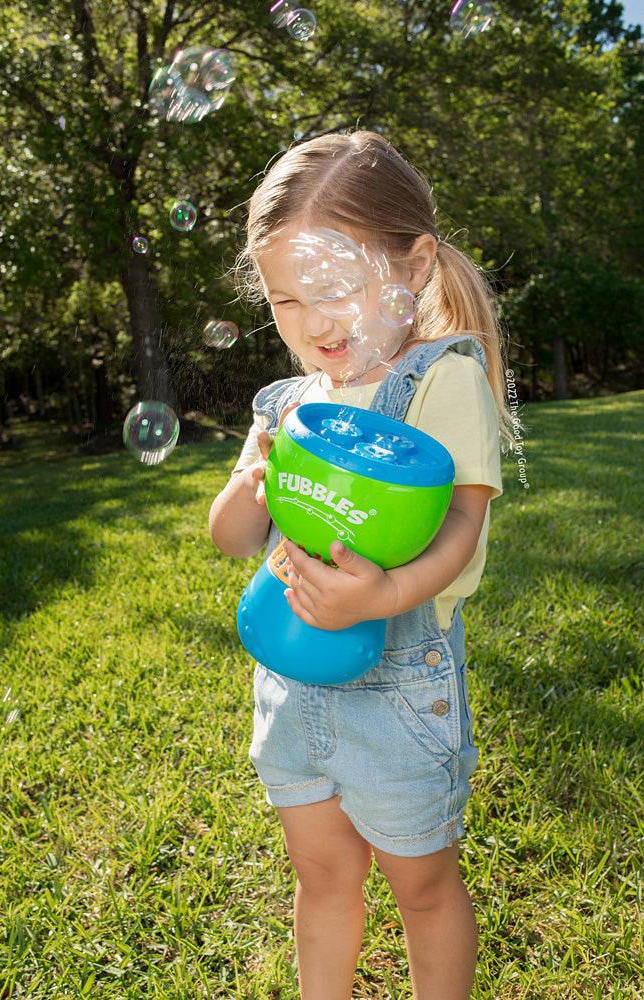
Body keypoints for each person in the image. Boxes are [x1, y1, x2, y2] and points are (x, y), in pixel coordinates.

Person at [208, 130, 517, 1000]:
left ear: (412, 266)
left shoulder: (438, 381)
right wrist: (251, 483)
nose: (311, 323)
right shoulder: (288, 404)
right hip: (291, 689)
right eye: (283, 300)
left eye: (333, 288)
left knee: (420, 888)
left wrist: (387, 592)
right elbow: (233, 538)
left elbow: (461, 521)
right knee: (320, 876)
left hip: (399, 694)